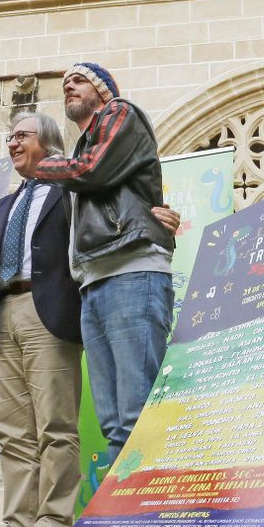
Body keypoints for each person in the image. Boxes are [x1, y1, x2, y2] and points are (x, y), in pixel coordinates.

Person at [33, 63, 175, 463]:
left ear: (103, 89)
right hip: (95, 281)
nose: (68, 88)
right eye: (64, 85)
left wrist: (42, 164)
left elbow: (93, 170)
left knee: (135, 415)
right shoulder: (83, 148)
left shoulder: (120, 113)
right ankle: (121, 518)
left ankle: (148, 519)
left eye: (78, 81)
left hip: (131, 272)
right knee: (114, 422)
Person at [0, 113, 85, 527]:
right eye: (9, 136)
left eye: (22, 135)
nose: (12, 143)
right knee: (13, 430)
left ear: (49, 143)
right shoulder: (2, 207)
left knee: (56, 426)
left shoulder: (69, 192)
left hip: (47, 311)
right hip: (3, 312)